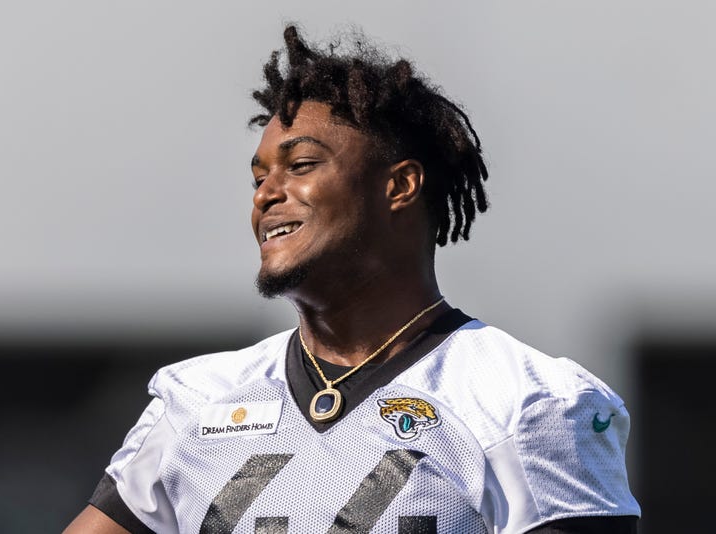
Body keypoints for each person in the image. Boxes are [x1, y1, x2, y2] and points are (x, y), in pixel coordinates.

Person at [65, 26, 640, 534]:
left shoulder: (528, 401)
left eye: (301, 165)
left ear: (399, 186)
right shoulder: (199, 399)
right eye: (259, 177)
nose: (266, 194)